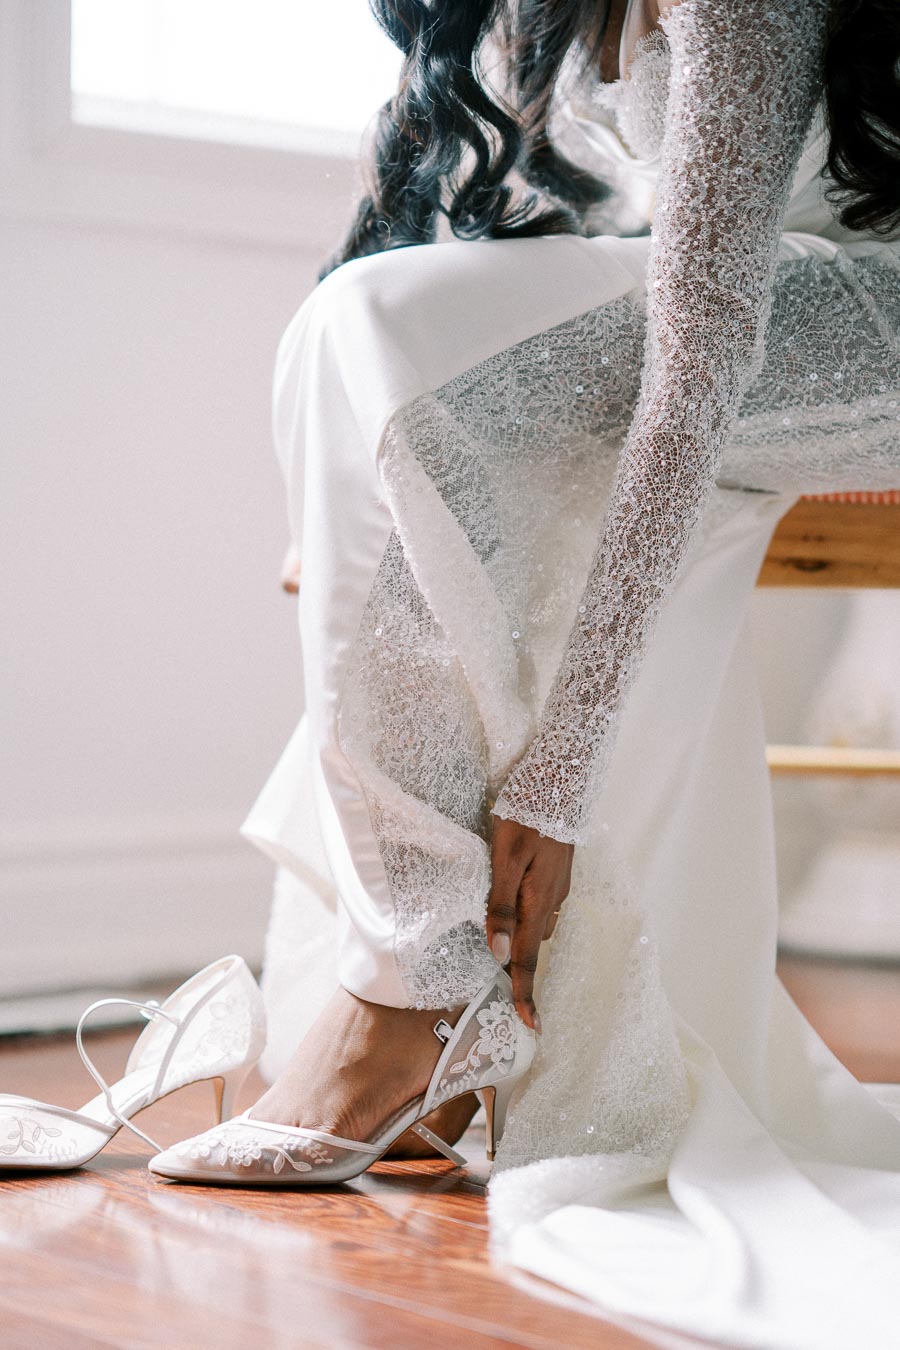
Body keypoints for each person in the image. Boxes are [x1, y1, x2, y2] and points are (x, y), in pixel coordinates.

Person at [152, 0, 900, 1343]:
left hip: (865, 326)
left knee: (405, 358)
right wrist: (354, 506)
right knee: (353, 327)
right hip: (731, 301)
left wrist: (559, 771)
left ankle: (413, 990)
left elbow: (700, 366)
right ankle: (421, 971)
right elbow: (448, 243)